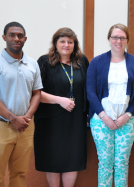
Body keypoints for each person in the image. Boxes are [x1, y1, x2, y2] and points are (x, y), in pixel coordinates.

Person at [0, 22, 42, 187]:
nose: (16, 38)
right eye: (12, 35)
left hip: (26, 127)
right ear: (4, 37)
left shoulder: (33, 64)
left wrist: (27, 117)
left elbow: (37, 94)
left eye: (20, 36)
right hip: (1, 126)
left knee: (19, 175)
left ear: (25, 39)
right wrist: (13, 118)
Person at [86, 23, 134, 187]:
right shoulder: (97, 62)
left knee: (122, 163)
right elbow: (90, 91)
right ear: (109, 39)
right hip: (101, 120)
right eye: (115, 37)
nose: (118, 40)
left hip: (128, 120)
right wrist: (104, 116)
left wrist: (127, 115)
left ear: (127, 40)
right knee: (105, 163)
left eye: (122, 37)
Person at [33, 28, 89, 187]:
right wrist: (59, 100)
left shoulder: (81, 61)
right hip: (50, 122)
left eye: (70, 42)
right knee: (52, 159)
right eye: (62, 41)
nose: (66, 45)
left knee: (73, 158)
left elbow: (89, 89)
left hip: (75, 120)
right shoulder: (44, 62)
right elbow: (35, 92)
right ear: (55, 43)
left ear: (74, 44)